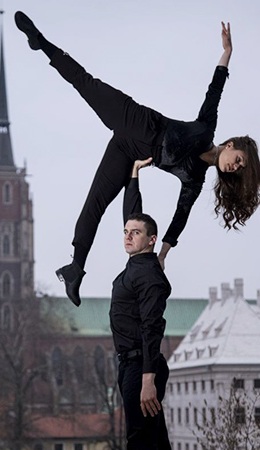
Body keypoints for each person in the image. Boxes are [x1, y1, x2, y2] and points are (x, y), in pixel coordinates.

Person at [14, 12, 260, 306]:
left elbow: (179, 218)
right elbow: (215, 90)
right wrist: (226, 53)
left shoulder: (195, 178)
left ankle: (75, 268)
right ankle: (40, 41)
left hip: (128, 152)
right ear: (232, 145)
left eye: (238, 169)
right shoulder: (206, 127)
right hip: (136, 119)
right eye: (239, 160)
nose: (235, 166)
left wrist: (161, 255)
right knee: (85, 83)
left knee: (96, 201)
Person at [110, 158, 172, 449]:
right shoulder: (137, 263)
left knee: (140, 440)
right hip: (132, 365)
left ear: (151, 241)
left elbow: (152, 327)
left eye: (135, 233)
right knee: (155, 439)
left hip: (141, 366)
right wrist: (133, 173)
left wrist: (148, 380)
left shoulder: (148, 274)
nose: (128, 236)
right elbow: (132, 213)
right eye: (125, 231)